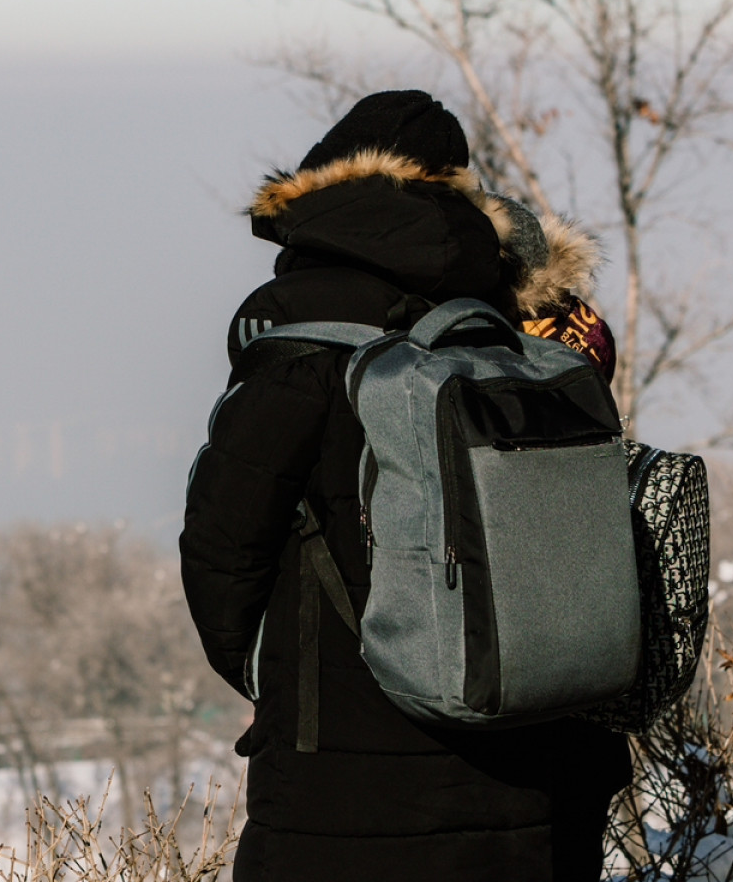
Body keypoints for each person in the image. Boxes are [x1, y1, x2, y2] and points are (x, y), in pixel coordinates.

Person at [180, 90, 629, 881]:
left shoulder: (296, 347)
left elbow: (221, 552)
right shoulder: (519, 335)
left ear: (316, 202)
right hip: (537, 784)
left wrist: (283, 680)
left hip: (341, 797)